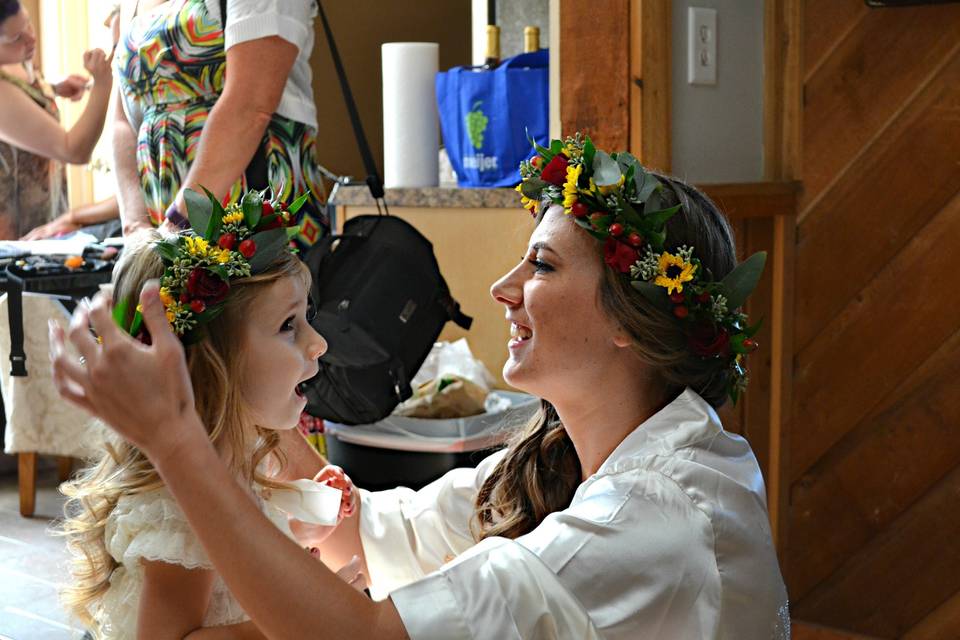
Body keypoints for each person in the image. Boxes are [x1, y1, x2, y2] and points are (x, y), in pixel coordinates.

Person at [50, 135, 790, 639]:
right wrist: (243, 391)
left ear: (632, 316)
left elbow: (363, 635)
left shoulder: (653, 513)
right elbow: (381, 530)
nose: (502, 289)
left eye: (542, 265)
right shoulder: (556, 458)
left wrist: (180, 439)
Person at [57, 190, 358, 638]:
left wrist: (303, 531)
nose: (319, 343)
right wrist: (311, 618)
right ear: (210, 366)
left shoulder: (242, 453)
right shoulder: (180, 511)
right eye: (288, 325)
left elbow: (243, 546)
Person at [113, 0, 326, 246]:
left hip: (250, 201)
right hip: (163, 217)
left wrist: (176, 223)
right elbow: (121, 120)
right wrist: (135, 226)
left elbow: (251, 105)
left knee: (261, 282)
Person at [0, 0, 116, 239]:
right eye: (16, 38)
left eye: (28, 24)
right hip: (15, 238)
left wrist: (51, 87)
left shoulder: (17, 60)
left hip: (46, 214)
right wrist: (103, 84)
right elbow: (74, 150)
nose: (31, 38)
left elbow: (22, 90)